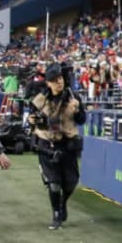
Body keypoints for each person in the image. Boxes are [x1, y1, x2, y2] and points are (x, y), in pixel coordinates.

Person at [28, 63, 86, 230]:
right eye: (54, 80)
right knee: (54, 183)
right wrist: (34, 120)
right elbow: (31, 121)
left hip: (68, 144)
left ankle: (62, 203)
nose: (58, 82)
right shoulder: (40, 99)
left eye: (60, 78)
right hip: (47, 144)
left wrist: (78, 112)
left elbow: (82, 120)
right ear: (48, 83)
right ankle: (56, 215)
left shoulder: (73, 97)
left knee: (71, 183)